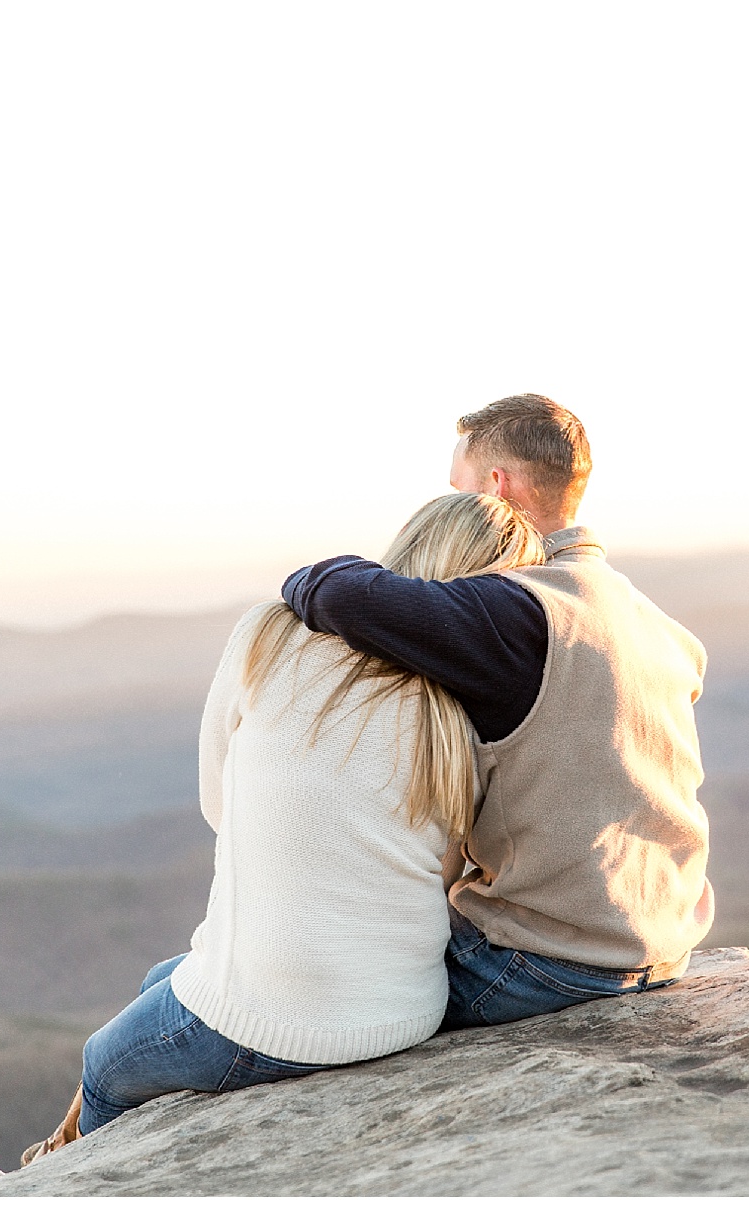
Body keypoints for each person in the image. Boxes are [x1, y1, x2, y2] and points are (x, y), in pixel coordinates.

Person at [0, 492, 545, 1188]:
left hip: (278, 1025)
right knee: (162, 976)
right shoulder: (456, 708)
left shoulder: (271, 633)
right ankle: (40, 1162)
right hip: (405, 1012)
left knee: (104, 1063)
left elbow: (220, 802)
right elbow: (446, 868)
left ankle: (46, 1181)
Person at [281, 394, 713, 1030]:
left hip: (541, 963)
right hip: (662, 941)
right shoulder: (654, 623)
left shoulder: (514, 612)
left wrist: (312, 574)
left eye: (455, 487)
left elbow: (335, 591)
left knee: (257, 997)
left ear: (495, 488)